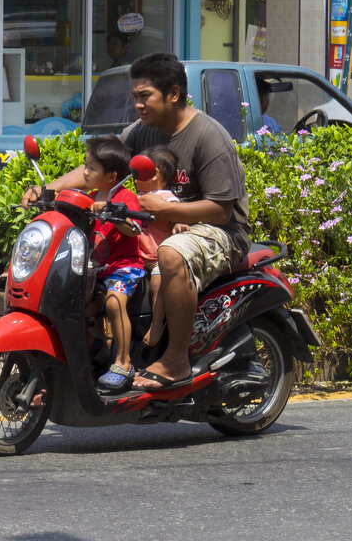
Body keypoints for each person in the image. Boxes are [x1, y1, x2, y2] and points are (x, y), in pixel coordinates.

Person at [22, 52, 249, 391]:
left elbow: (221, 211)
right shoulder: (142, 132)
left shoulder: (208, 137)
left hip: (219, 231)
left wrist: (165, 209)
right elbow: (100, 168)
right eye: (136, 97)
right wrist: (48, 189)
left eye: (146, 96)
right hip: (158, 227)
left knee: (172, 253)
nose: (139, 105)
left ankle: (176, 360)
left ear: (173, 94)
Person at [83, 136, 146, 393]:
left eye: (91, 168)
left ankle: (123, 363)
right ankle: (98, 353)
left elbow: (134, 230)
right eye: (85, 166)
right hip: (97, 268)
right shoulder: (89, 197)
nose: (85, 172)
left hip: (125, 266)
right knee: (78, 299)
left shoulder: (125, 196)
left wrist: (116, 215)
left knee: (113, 301)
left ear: (111, 176)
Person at [134, 145, 182, 349]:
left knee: (157, 285)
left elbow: (178, 215)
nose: (134, 179)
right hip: (137, 257)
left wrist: (180, 223)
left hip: (156, 259)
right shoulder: (136, 197)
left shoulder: (167, 199)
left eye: (139, 173)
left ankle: (156, 325)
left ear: (154, 174)